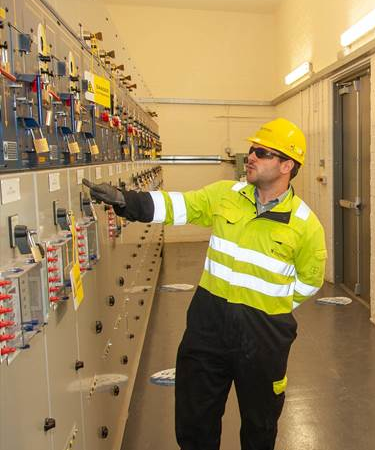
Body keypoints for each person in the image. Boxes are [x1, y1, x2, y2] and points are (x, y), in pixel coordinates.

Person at [83, 117, 327, 450]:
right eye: (252, 149)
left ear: (287, 165)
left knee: (260, 425)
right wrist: (127, 201)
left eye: (262, 152)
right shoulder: (226, 195)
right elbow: (176, 206)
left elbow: (310, 281)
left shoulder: (305, 225)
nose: (251, 156)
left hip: (264, 337)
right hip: (208, 326)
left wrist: (271, 307)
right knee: (194, 420)